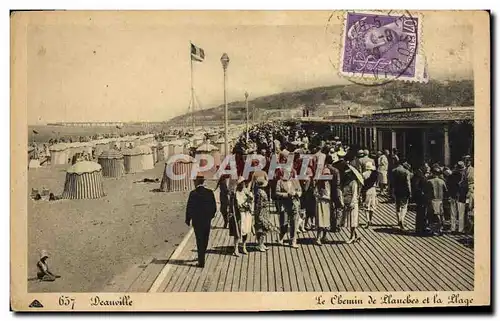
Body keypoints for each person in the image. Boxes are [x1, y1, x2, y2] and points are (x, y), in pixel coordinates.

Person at [186, 175, 217, 267]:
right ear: (203, 182)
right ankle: (202, 255)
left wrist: (188, 219)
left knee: (199, 239)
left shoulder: (193, 193)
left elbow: (189, 207)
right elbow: (214, 207)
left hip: (197, 221)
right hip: (206, 220)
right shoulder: (209, 192)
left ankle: (201, 260)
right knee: (205, 238)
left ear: (196, 182)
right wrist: (210, 216)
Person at [275, 169, 302, 248]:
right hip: (284, 204)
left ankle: (293, 241)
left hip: (294, 204)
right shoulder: (280, 182)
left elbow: (300, 190)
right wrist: (287, 194)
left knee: (294, 223)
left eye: (289, 172)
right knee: (284, 222)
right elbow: (277, 193)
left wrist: (298, 194)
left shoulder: (295, 181)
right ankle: (281, 236)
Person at [229, 176, 254, 256]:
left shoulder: (245, 191)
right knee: (238, 232)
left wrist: (250, 201)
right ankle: (235, 249)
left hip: (246, 214)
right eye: (241, 183)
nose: (242, 185)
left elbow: (251, 200)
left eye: (243, 183)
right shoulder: (235, 194)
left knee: (246, 231)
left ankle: (244, 246)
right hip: (239, 215)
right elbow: (235, 205)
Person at [253, 176, 277, 252]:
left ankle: (261, 243)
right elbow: (258, 204)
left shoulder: (260, 191)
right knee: (261, 228)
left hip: (264, 211)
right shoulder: (260, 192)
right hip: (261, 212)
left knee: (264, 228)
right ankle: (259, 244)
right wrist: (259, 214)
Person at [425, 166, 448, 236]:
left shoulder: (429, 181)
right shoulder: (442, 181)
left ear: (432, 173)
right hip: (440, 200)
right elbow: (446, 190)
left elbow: (426, 191)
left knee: (431, 215)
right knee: (440, 215)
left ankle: (432, 230)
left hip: (432, 200)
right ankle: (440, 229)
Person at [391, 160, 412, 230]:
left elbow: (392, 182)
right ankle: (401, 219)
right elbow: (408, 183)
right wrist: (410, 192)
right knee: (404, 207)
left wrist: (392, 190)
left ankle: (398, 221)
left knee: (397, 206)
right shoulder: (406, 172)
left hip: (396, 190)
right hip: (404, 191)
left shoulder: (394, 171)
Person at [314, 168, 332, 245]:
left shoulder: (329, 184)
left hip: (327, 204)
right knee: (320, 221)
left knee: (327, 221)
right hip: (320, 203)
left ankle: (324, 236)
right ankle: (318, 238)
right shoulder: (319, 184)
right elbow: (315, 193)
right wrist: (322, 196)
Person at [343, 168, 361, 243]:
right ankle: (357, 235)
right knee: (350, 220)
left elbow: (354, 194)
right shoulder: (346, 182)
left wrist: (353, 203)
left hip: (352, 203)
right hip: (347, 201)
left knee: (353, 221)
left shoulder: (354, 183)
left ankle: (352, 237)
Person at [412, 163, 430, 235]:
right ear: (422, 167)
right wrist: (421, 193)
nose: (427, 168)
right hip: (420, 197)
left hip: (422, 197)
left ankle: (422, 227)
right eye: (426, 167)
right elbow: (415, 185)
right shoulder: (418, 174)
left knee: (422, 213)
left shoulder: (421, 173)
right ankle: (419, 229)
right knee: (421, 213)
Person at [361, 162, 378, 228]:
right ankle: (370, 220)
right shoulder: (374, 174)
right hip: (373, 190)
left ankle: (367, 220)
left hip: (366, 190)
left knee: (366, 206)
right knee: (372, 205)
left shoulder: (364, 174)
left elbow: (362, 183)